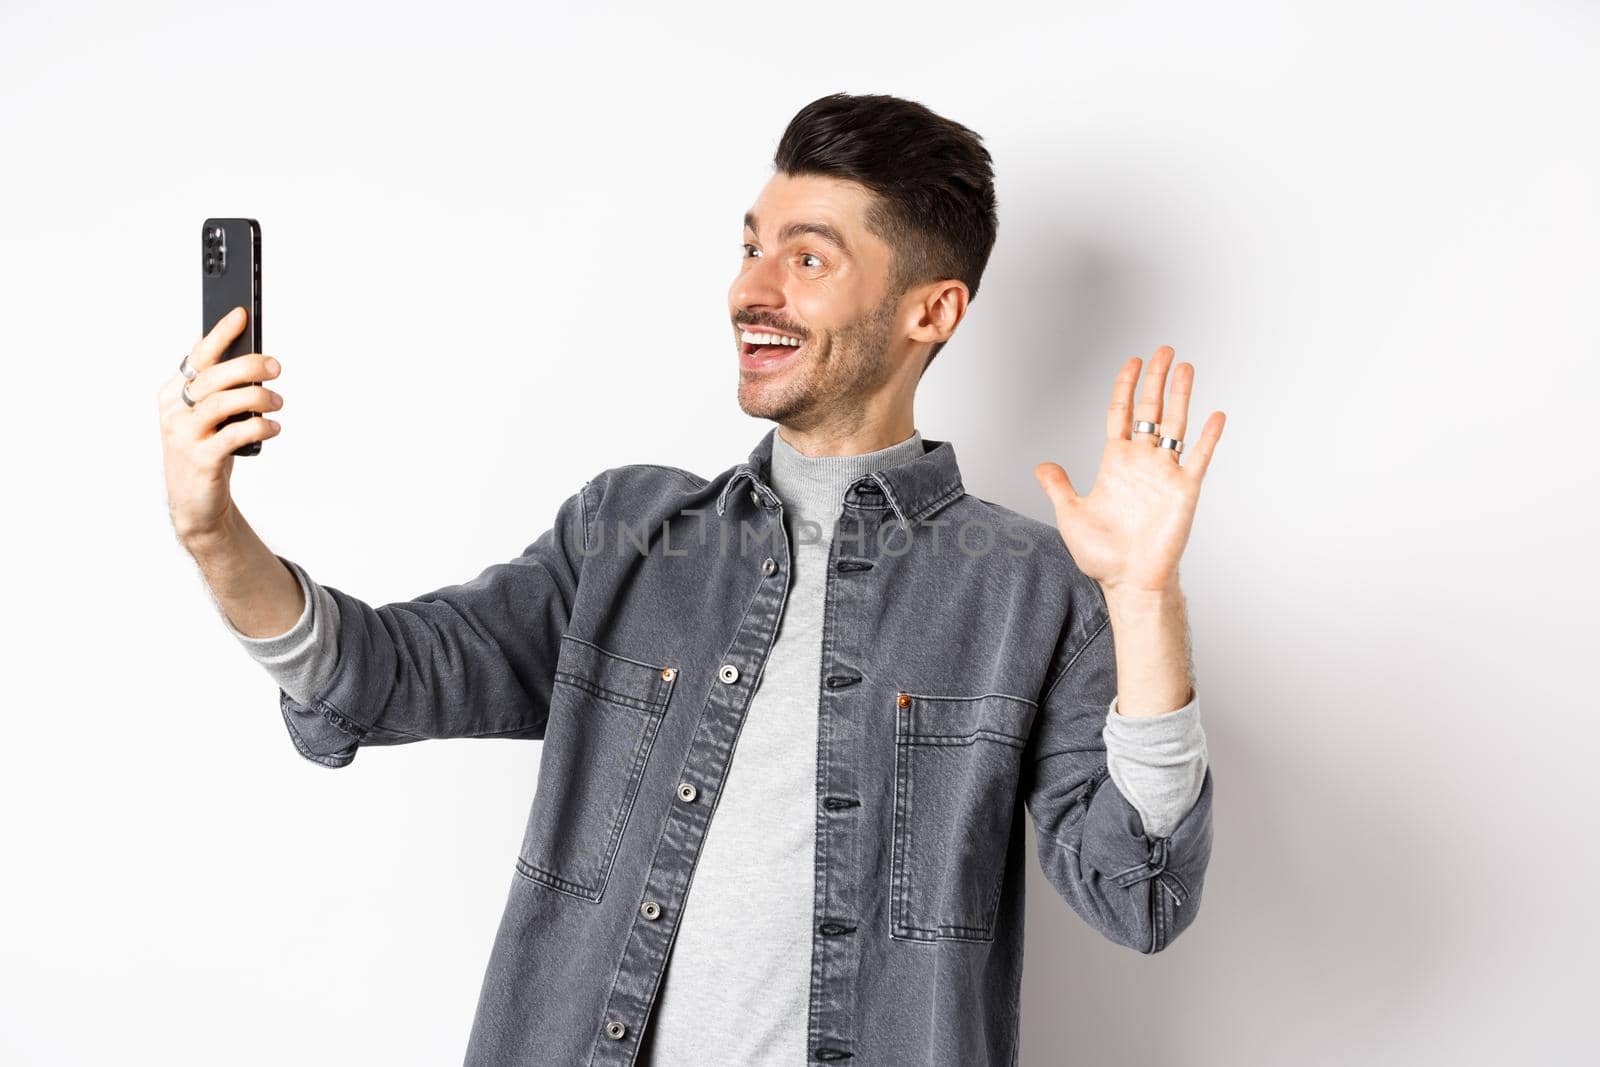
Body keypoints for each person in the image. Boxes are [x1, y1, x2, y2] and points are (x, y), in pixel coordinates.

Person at [157, 91, 1223, 1066]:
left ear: (930, 312)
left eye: (806, 259)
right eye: (751, 247)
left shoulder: (1026, 589)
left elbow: (1140, 890)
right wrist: (214, 533)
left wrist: (1142, 602)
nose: (748, 289)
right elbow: (381, 673)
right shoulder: (625, 534)